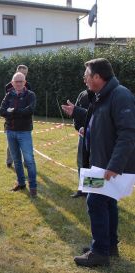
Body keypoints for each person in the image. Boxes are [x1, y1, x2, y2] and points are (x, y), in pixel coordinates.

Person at [62, 58, 135, 267]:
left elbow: (128, 133)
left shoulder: (120, 95)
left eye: (87, 75)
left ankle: (100, 252)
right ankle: (109, 245)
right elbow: (99, 120)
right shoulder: (103, 96)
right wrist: (77, 112)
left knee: (95, 202)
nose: (84, 79)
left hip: (109, 165)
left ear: (97, 77)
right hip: (101, 162)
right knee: (107, 202)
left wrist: (114, 166)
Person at [0, 72, 38, 198]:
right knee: (16, 160)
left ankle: (33, 187)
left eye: (21, 81)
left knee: (29, 160)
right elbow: (2, 111)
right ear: (12, 83)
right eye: (16, 81)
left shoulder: (30, 95)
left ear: (25, 82)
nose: (19, 83)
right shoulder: (9, 95)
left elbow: (30, 110)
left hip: (24, 131)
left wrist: (13, 111)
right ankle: (21, 183)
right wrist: (16, 112)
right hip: (10, 131)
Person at [4, 64, 32, 168]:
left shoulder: (28, 86)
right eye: (22, 73)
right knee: (11, 141)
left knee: (25, 142)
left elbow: (30, 104)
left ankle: (26, 161)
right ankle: (9, 160)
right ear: (17, 72)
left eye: (25, 74)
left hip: (24, 118)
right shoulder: (8, 86)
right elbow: (6, 104)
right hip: (11, 119)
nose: (23, 75)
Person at [70, 86, 94, 198]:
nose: (84, 80)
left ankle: (92, 191)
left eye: (86, 76)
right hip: (82, 136)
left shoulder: (103, 95)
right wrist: (80, 128)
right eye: (84, 77)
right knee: (81, 162)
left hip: (97, 137)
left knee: (93, 164)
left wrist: (89, 128)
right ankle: (83, 190)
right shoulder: (82, 95)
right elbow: (75, 113)